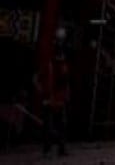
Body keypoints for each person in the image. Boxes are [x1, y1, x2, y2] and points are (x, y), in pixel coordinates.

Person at [38, 28, 70, 157]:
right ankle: (48, 149)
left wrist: (65, 95)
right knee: (49, 125)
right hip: (50, 97)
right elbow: (38, 78)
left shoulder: (62, 65)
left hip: (59, 97)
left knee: (60, 124)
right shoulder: (50, 64)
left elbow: (65, 81)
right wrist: (44, 94)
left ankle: (60, 148)